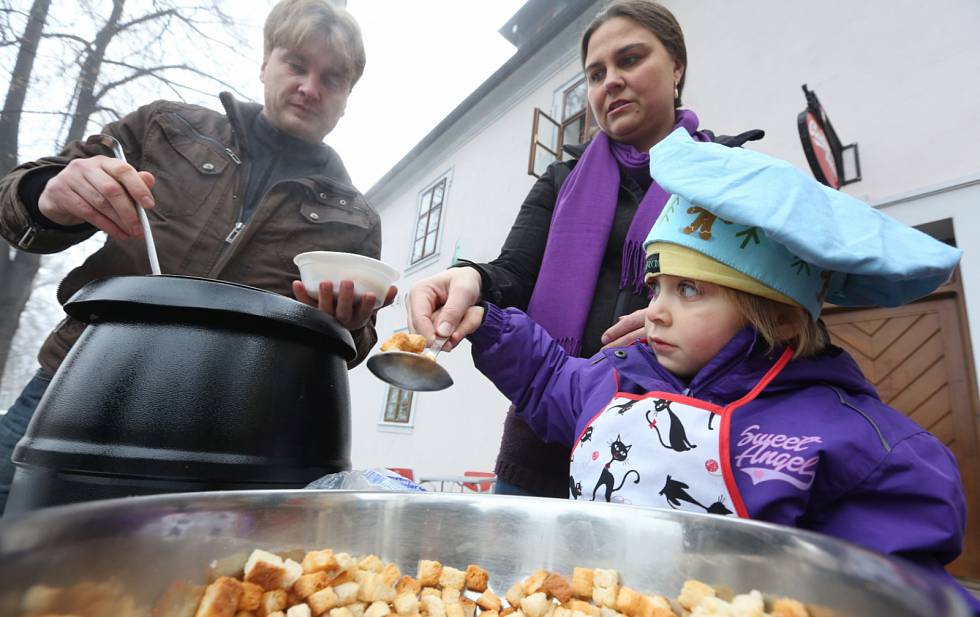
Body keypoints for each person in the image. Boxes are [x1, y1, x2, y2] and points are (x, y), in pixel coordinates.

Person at [464, 128, 977, 609]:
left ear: (780, 316)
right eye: (656, 288)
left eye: (689, 290)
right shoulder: (618, 378)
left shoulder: (851, 441)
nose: (655, 311)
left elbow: (890, 585)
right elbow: (549, 378)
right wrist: (488, 323)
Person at [0, 0, 394, 513]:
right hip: (78, 388)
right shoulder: (163, 128)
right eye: (296, 64)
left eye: (332, 79)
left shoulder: (356, 219)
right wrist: (48, 195)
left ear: (347, 98)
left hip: (237, 438)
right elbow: (15, 207)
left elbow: (353, 344)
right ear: (265, 63)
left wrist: (345, 327)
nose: (309, 87)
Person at [408, 0, 763, 498]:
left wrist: (683, 321)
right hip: (542, 443)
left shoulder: (728, 176)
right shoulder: (561, 180)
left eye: (630, 59)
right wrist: (471, 278)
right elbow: (513, 273)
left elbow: (759, 309)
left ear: (677, 66)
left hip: (667, 449)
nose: (610, 81)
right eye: (595, 74)